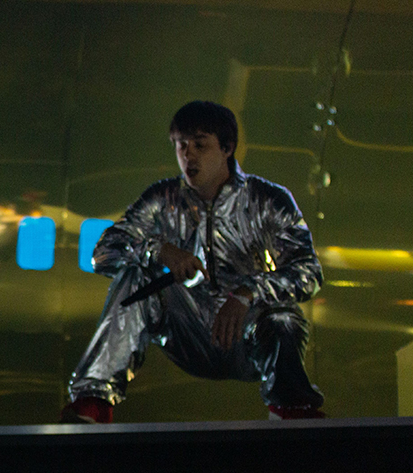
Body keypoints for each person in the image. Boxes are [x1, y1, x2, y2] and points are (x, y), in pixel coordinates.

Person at [62, 100, 324, 424]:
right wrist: (158, 251)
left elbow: (307, 272)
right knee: (135, 280)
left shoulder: (267, 200)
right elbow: (103, 253)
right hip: (186, 331)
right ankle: (93, 402)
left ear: (227, 148)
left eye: (200, 145)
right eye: (181, 146)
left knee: (284, 318)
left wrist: (248, 293)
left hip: (247, 335)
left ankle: (292, 408)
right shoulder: (162, 199)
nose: (189, 155)